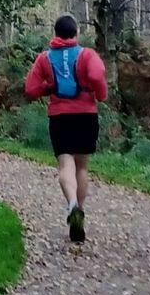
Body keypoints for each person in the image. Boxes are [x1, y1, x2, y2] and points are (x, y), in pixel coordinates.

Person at [24, 14, 108, 242]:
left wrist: (48, 87)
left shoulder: (44, 58)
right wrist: (100, 94)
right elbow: (97, 75)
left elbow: (30, 89)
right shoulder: (87, 54)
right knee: (81, 167)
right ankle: (79, 210)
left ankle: (72, 205)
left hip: (60, 117)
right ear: (76, 33)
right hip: (86, 116)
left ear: (55, 33)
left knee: (65, 163)